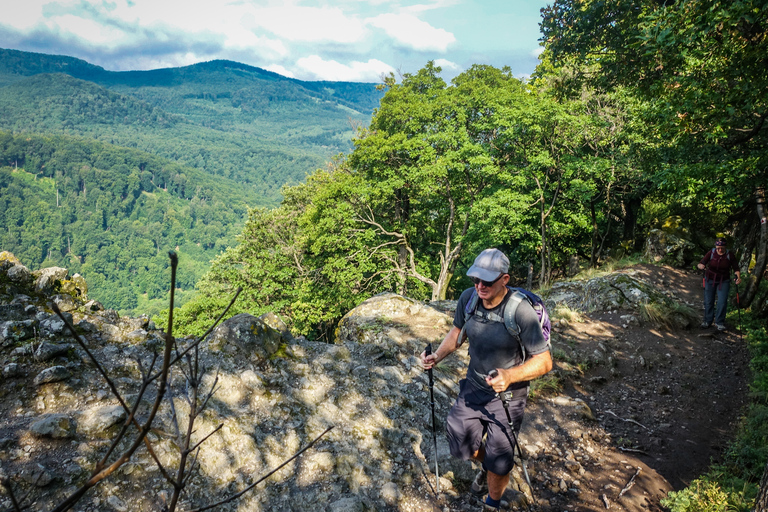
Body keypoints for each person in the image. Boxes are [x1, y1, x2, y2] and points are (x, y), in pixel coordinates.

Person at [420, 248, 552, 510]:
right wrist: (437, 356)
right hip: (474, 387)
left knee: (500, 459)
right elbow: (458, 332)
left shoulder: (520, 312)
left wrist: (510, 375)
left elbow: (545, 361)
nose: (480, 286)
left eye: (487, 281)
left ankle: (491, 501)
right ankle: (490, 466)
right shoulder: (469, 299)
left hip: (508, 396)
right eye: (475, 280)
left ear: (505, 279)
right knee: (459, 440)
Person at [697, 237, 741, 331]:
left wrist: (738, 277)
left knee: (722, 301)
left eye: (722, 248)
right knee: (709, 300)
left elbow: (736, 268)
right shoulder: (711, 252)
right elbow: (702, 262)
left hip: (724, 280)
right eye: (718, 248)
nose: (720, 250)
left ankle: (719, 322)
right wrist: (701, 266)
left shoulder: (729, 255)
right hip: (710, 279)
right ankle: (707, 321)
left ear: (725, 247)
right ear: (716, 247)